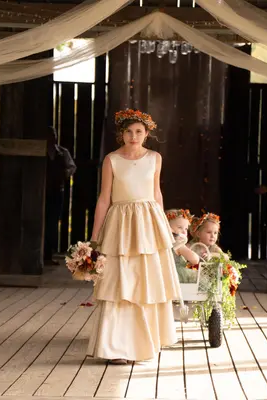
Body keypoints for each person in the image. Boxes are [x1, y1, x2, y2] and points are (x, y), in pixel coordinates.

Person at [86, 109, 182, 365]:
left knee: (145, 278)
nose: (133, 136)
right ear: (121, 134)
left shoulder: (154, 158)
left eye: (139, 131)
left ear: (147, 134)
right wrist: (95, 237)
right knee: (120, 280)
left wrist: (163, 227)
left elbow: (156, 193)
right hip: (120, 222)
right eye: (128, 131)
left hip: (148, 221)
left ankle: (144, 343)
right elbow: (104, 198)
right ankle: (117, 347)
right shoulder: (112, 160)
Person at [44, 126, 76, 266]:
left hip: (57, 190)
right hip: (42, 192)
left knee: (52, 222)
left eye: (54, 134)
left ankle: (48, 254)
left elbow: (72, 167)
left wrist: (64, 175)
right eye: (50, 135)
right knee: (41, 221)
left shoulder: (62, 152)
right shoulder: (40, 152)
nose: (52, 137)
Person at [166, 208, 200, 283]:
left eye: (186, 229)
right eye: (180, 227)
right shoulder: (178, 245)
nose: (184, 232)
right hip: (176, 277)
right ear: (168, 229)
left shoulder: (161, 244)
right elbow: (195, 260)